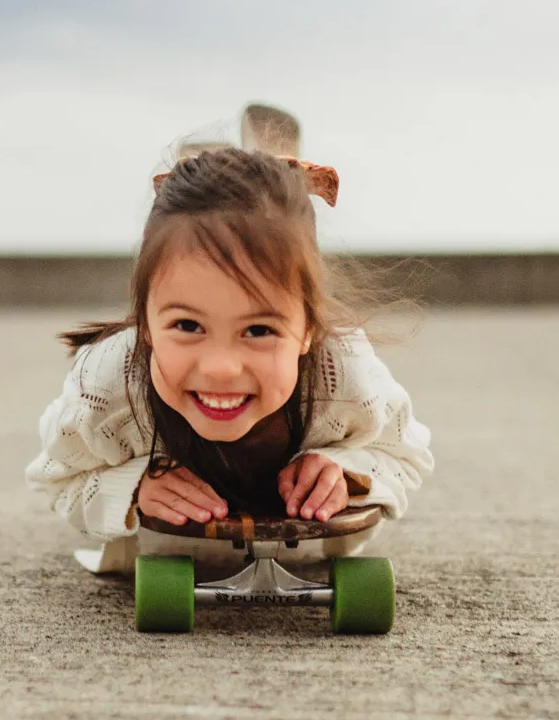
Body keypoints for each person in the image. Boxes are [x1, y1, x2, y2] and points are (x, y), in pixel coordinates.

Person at [26, 146, 433, 572]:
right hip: (159, 553)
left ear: (310, 328)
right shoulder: (111, 384)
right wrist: (132, 487)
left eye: (258, 330)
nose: (221, 367)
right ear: (144, 323)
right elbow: (56, 478)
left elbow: (408, 455)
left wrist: (344, 469)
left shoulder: (344, 374)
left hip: (307, 557)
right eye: (187, 326)